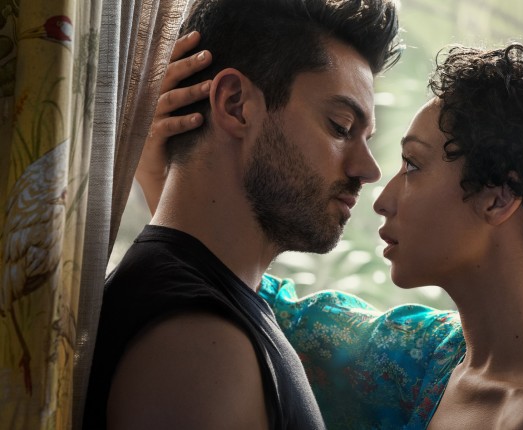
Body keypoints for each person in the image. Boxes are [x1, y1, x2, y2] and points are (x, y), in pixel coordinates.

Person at [142, 41, 523, 429]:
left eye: (413, 165)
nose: (382, 198)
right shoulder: (430, 356)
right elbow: (263, 311)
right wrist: (172, 180)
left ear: (499, 198)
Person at [83, 0, 401, 428]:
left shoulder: (205, 305)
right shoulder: (199, 344)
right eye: (341, 127)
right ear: (235, 104)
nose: (368, 169)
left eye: (365, 138)